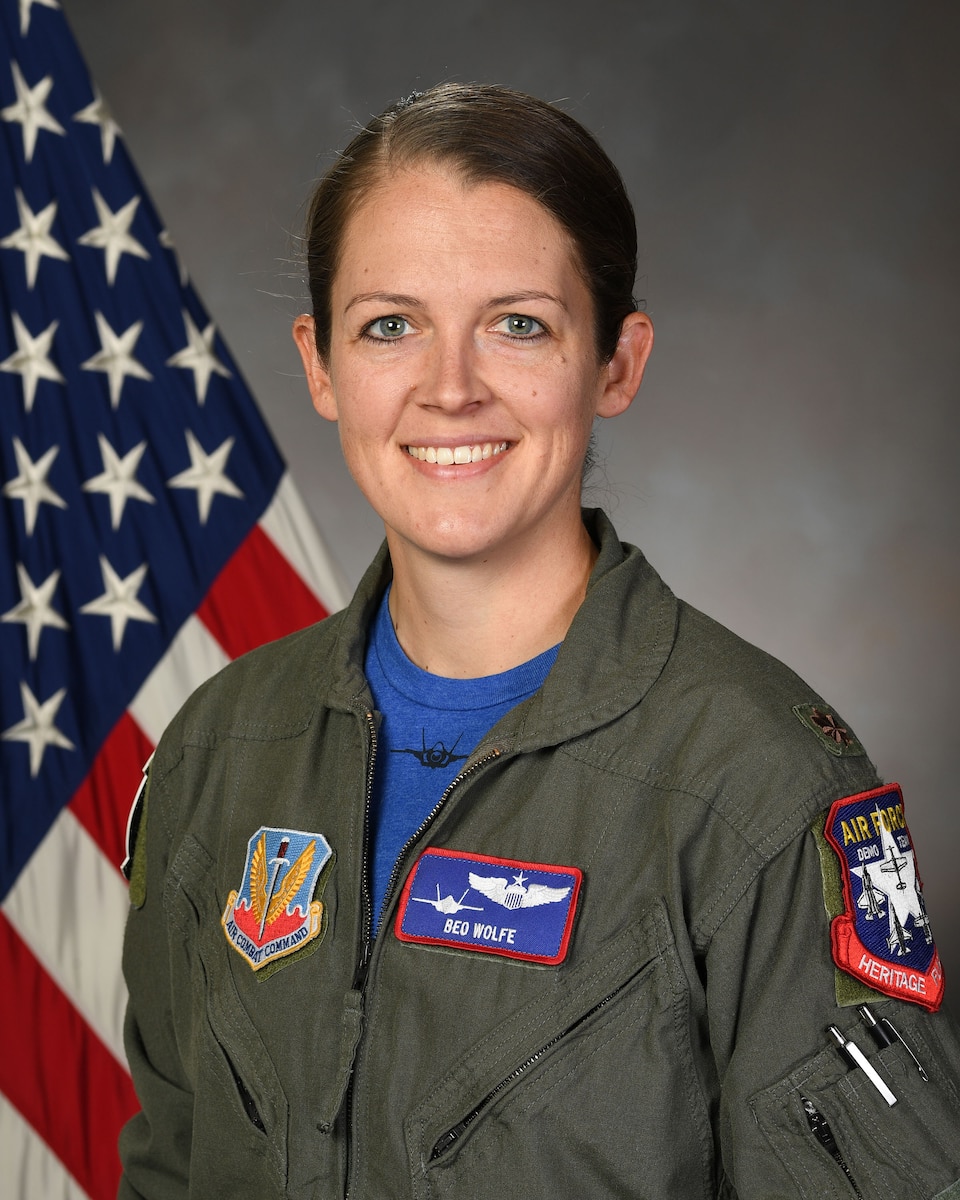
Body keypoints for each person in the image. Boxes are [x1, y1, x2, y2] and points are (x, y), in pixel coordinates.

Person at [118, 84, 960, 1199]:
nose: (452, 387)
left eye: (519, 323)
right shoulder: (218, 752)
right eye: (391, 325)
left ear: (616, 360)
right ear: (321, 365)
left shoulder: (757, 786)